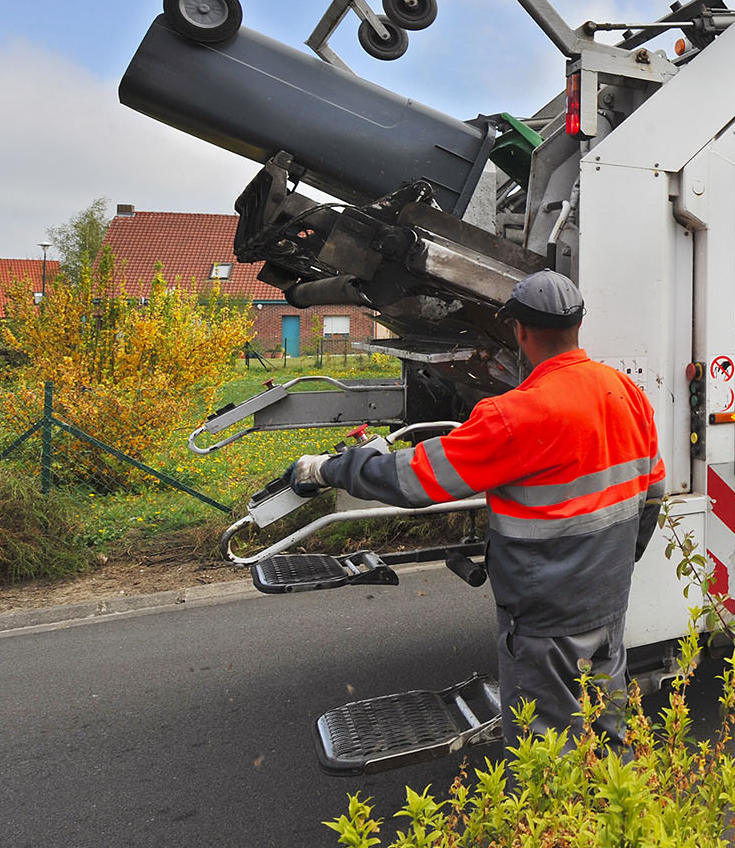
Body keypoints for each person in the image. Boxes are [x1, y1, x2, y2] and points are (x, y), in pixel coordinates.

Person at [284, 270, 664, 751]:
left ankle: (553, 828)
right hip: (607, 602)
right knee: (607, 739)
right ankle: (623, 824)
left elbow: (414, 477)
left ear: (520, 332)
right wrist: (620, 561)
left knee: (547, 757)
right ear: (578, 326)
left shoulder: (516, 415)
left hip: (545, 619)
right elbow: (654, 492)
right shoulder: (626, 393)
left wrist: (329, 469)